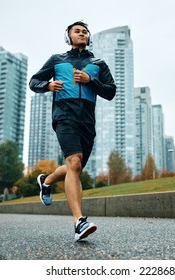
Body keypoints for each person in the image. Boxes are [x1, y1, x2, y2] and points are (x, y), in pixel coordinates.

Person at [29, 21, 116, 241]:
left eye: (85, 31)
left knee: (73, 168)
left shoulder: (98, 63)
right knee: (74, 163)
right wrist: (47, 86)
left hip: (87, 121)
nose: (82, 33)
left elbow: (111, 91)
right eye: (77, 31)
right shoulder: (57, 60)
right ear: (68, 36)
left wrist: (91, 80)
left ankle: (46, 181)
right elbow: (34, 81)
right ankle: (79, 222)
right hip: (64, 117)